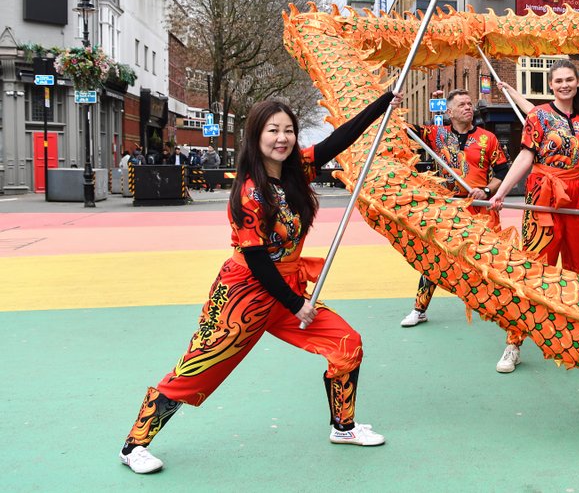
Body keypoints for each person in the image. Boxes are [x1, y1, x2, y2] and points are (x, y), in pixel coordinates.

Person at [118, 89, 399, 474]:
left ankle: (344, 426)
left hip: (288, 292)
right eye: (272, 130)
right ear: (256, 136)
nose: (282, 138)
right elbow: (256, 260)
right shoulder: (250, 191)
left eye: (288, 130)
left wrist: (381, 103)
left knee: (346, 342)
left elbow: (337, 140)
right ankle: (134, 445)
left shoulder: (298, 169)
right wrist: (295, 303)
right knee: (199, 368)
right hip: (245, 296)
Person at [487, 59, 579, 373]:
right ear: (551, 85)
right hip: (543, 199)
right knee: (533, 271)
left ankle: (573, 338)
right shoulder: (538, 116)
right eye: (558, 81)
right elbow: (526, 156)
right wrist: (500, 192)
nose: (564, 85)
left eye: (570, 79)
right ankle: (513, 343)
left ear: (577, 82)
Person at [401, 89, 508, 328]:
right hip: (448, 209)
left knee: (493, 258)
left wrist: (488, 191)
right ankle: (420, 308)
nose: (468, 107)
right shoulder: (436, 134)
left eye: (470, 103)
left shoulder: (486, 138)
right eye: (461, 104)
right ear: (449, 111)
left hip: (480, 208)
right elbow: (404, 128)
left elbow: (502, 171)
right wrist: (393, 103)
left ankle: (504, 309)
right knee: (434, 258)